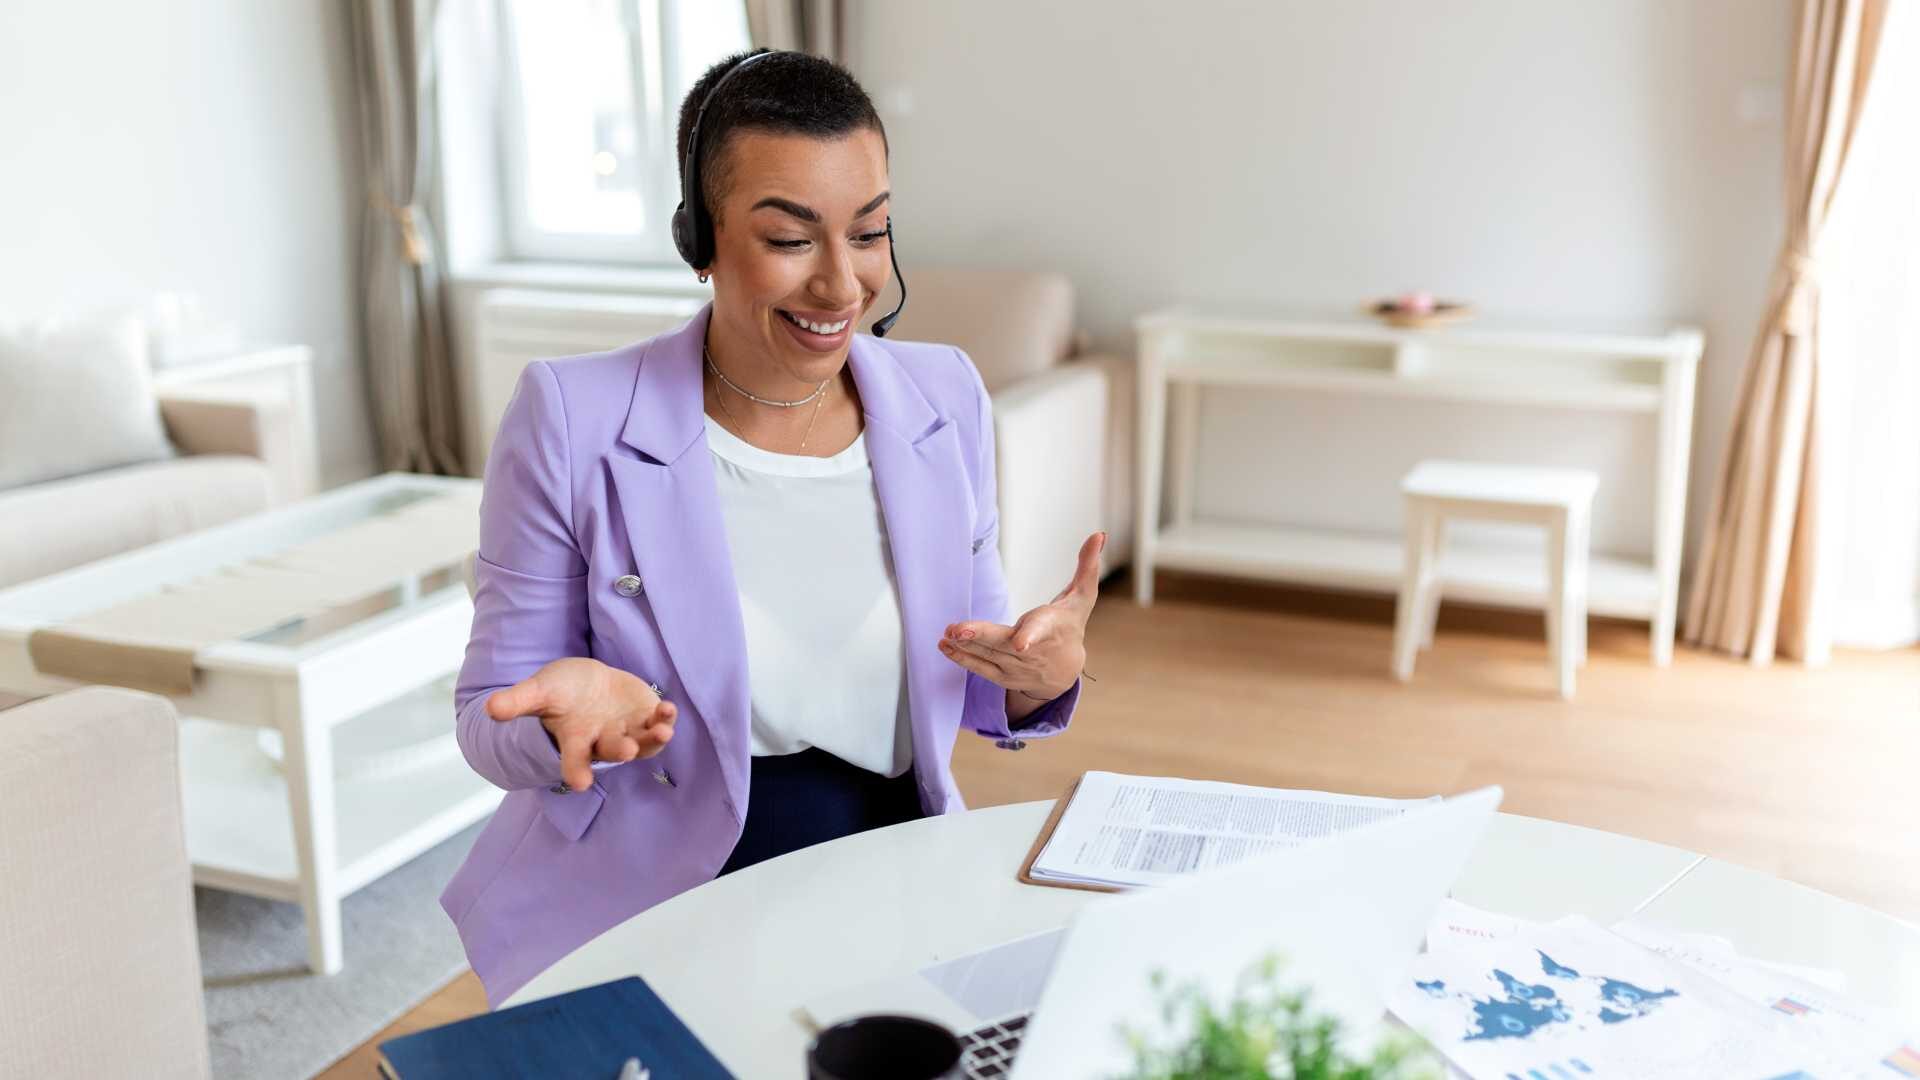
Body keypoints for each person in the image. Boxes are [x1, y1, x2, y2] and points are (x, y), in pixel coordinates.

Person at [440, 48, 1103, 1004]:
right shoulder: (572, 416)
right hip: (663, 897)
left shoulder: (944, 396)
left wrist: (1039, 681)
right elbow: (486, 717)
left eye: (870, 232)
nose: (842, 285)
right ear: (698, 239)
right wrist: (555, 723)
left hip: (895, 869)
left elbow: (976, 672)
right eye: (792, 239)